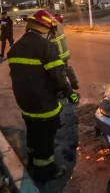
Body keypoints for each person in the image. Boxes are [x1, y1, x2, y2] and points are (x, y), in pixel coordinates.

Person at [7, 10, 80, 181]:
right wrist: (70, 94)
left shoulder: (16, 47)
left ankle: (32, 161)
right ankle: (46, 172)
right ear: (46, 28)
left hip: (24, 102)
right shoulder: (46, 47)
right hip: (44, 104)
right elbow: (59, 78)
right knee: (45, 138)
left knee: (33, 133)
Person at [49, 19, 79, 90]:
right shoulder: (57, 23)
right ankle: (74, 82)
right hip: (64, 51)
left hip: (58, 53)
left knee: (58, 71)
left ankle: (65, 88)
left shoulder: (49, 28)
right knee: (66, 67)